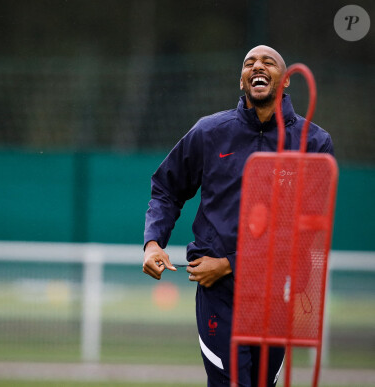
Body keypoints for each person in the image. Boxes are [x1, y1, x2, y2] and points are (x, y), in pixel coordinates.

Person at [142, 45, 334, 386]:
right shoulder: (209, 131)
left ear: (285, 80)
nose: (257, 66)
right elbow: (166, 188)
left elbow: (304, 235)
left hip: (277, 293)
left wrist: (229, 262)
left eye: (268, 62)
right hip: (220, 293)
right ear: (242, 81)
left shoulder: (314, 143)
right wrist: (154, 242)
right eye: (249, 63)